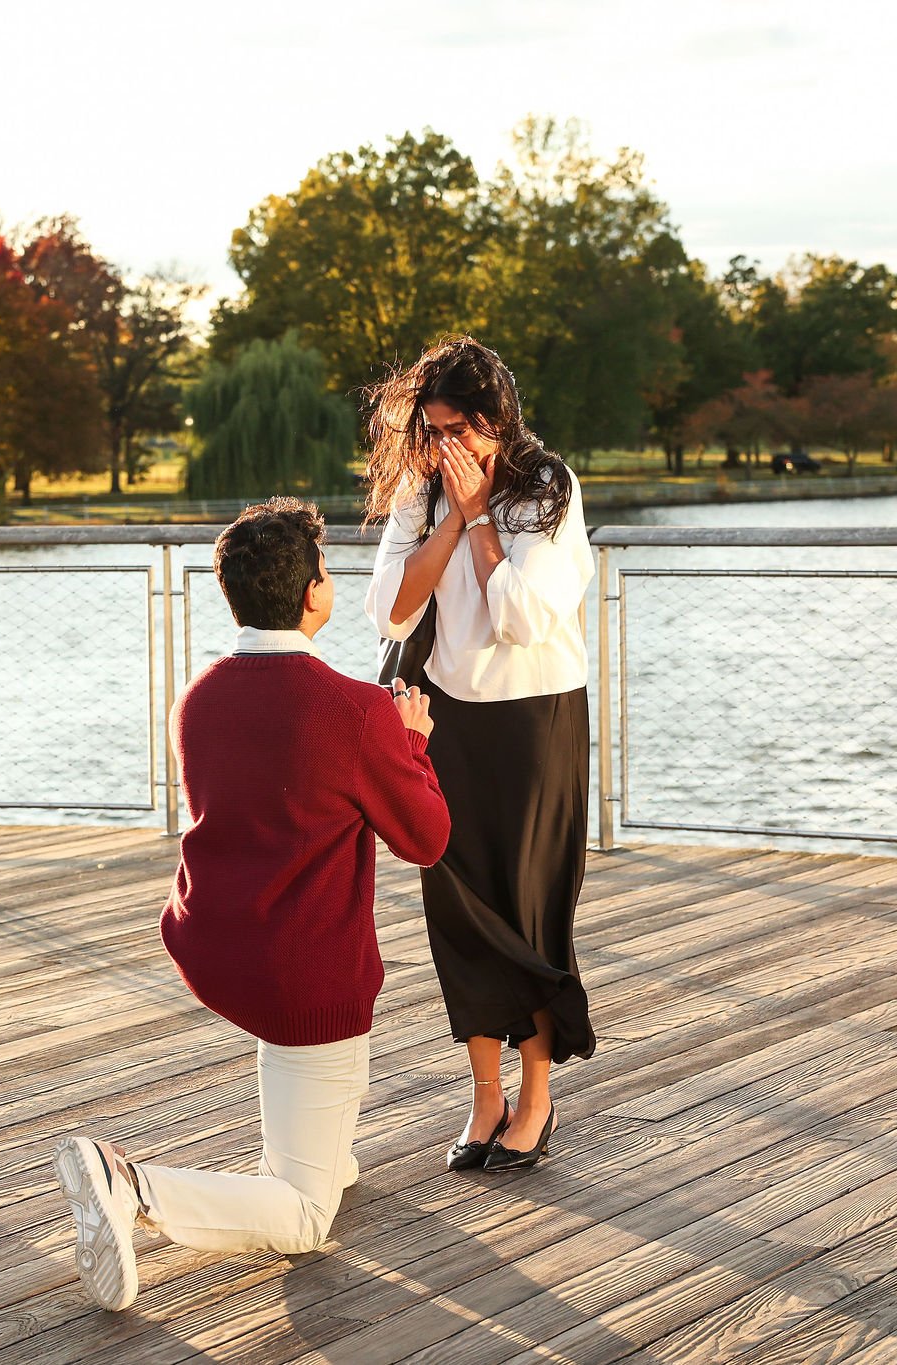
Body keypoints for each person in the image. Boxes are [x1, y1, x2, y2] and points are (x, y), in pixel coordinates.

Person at [52, 497, 450, 1311]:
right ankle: (133, 1185)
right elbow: (426, 838)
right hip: (303, 976)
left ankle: (323, 1151)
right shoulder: (358, 710)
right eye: (327, 572)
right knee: (304, 1215)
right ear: (312, 595)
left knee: (326, 1145)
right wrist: (412, 743)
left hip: (220, 948)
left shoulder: (196, 698)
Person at [362, 336, 596, 1175]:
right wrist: (456, 516)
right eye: (429, 432)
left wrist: (486, 524)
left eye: (455, 430)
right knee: (457, 911)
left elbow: (525, 618)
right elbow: (389, 610)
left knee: (527, 909)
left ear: (494, 421)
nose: (440, 447)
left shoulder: (548, 491)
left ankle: (537, 1096)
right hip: (447, 722)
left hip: (536, 722)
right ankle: (485, 1094)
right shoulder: (421, 495)